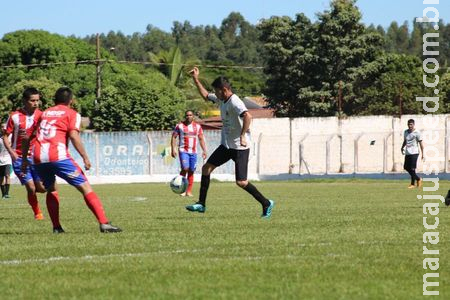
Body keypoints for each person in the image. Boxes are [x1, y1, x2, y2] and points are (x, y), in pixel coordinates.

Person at [21, 87, 121, 233]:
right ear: (71, 101)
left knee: (52, 189)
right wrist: (85, 157)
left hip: (38, 157)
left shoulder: (44, 113)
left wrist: (24, 159)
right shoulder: (72, 113)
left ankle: (56, 227)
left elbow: (27, 137)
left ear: (55, 100)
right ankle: (104, 223)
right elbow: (74, 136)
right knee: (85, 187)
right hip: (58, 156)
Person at [186, 67, 274, 218]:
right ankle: (201, 204)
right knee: (206, 168)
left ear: (224, 89)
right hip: (226, 146)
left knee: (241, 182)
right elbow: (206, 96)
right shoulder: (222, 99)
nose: (216, 93)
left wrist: (242, 135)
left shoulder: (235, 101)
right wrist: (196, 79)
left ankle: (266, 203)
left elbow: (248, 116)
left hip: (240, 147)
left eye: (217, 91)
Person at [3, 87, 46, 219]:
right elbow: (5, 136)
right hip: (19, 158)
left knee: (42, 188)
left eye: (37, 100)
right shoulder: (14, 117)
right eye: (32, 100)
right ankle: (37, 213)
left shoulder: (42, 115)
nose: (36, 103)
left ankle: (37, 194)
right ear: (24, 101)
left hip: (36, 157)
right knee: (31, 187)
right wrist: (12, 153)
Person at [171, 110, 207, 197]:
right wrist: (173, 149)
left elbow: (201, 138)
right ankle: (181, 189)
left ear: (193, 116)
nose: (189, 117)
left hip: (194, 152)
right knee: (185, 168)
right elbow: (174, 137)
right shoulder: (180, 126)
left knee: (191, 171)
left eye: (190, 115)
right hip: (183, 151)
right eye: (187, 115)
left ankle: (188, 191)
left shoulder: (197, 127)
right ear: (185, 116)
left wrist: (204, 150)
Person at [401, 119, 424, 189]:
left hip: (414, 152)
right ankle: (418, 179)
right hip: (408, 152)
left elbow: (421, 143)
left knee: (412, 168)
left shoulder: (417, 132)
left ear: (414, 124)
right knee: (406, 167)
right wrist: (402, 147)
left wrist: (423, 154)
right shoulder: (406, 132)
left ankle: (412, 184)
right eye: (409, 124)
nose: (410, 126)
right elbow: (405, 140)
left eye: (411, 124)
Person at [0, 124, 12, 199]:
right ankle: (3, 194)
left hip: (8, 159)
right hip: (0, 160)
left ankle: (7, 193)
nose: (3, 128)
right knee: (1, 178)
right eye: (2, 127)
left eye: (4, 127)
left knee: (7, 175)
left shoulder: (10, 137)